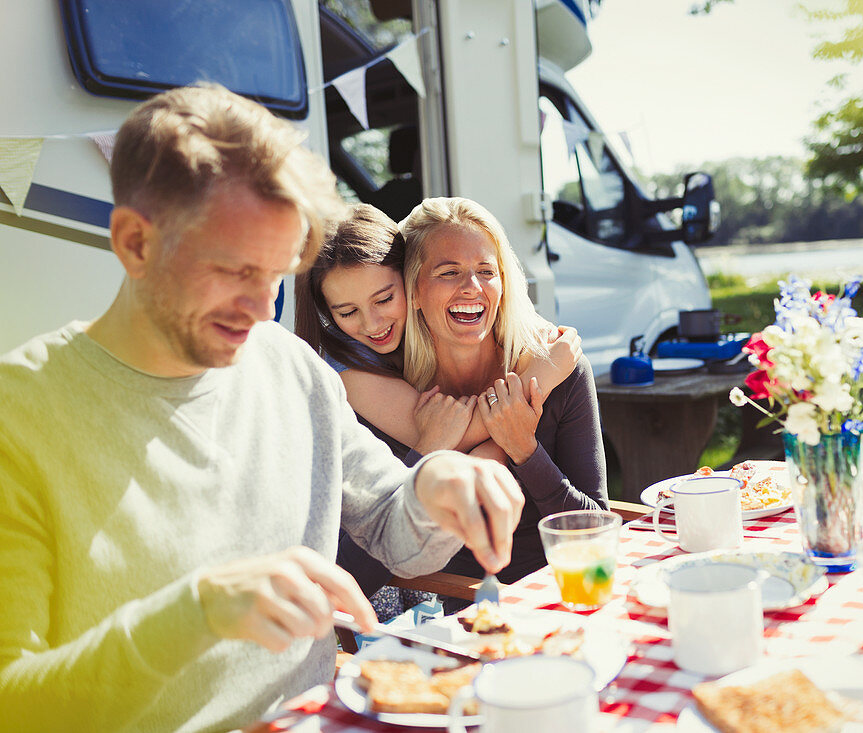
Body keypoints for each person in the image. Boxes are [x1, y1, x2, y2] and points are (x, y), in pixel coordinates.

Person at [0, 84, 523, 733]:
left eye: (277, 273)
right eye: (234, 270)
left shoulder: (294, 368)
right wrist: (196, 612)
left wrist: (437, 484)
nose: (261, 307)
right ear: (135, 242)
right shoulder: (18, 416)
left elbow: (397, 528)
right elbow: (12, 703)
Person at [294, 203, 581, 614]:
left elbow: (593, 526)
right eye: (347, 312)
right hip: (413, 600)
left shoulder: (542, 356)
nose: (374, 323)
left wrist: (518, 445)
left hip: (528, 593)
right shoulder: (353, 375)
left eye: (383, 299)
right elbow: (350, 568)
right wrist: (538, 383)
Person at [401, 197, 608, 591]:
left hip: (561, 594)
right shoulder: (398, 390)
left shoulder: (560, 367)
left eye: (486, 271)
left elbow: (594, 528)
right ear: (413, 291)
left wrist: (526, 452)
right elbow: (389, 527)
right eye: (449, 273)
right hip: (448, 609)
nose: (472, 287)